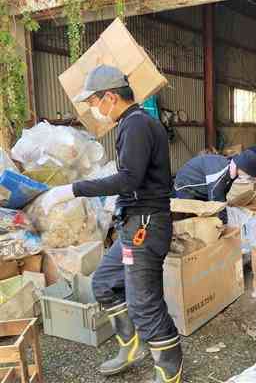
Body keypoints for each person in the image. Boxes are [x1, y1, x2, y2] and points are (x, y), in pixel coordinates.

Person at [41, 65, 182, 382]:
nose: (93, 109)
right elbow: (136, 179)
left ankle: (170, 368)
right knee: (104, 283)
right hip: (135, 223)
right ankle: (129, 346)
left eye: (93, 102)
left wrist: (73, 189)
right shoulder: (134, 123)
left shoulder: (136, 125)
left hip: (146, 225)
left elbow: (129, 178)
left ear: (109, 97)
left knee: (144, 303)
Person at [173, 150, 256, 222]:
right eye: (248, 174)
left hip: (201, 187)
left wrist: (223, 208)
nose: (248, 177)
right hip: (185, 185)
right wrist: (224, 221)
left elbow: (223, 192)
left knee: (209, 213)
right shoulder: (219, 172)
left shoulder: (232, 170)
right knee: (190, 216)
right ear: (242, 168)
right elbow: (215, 199)